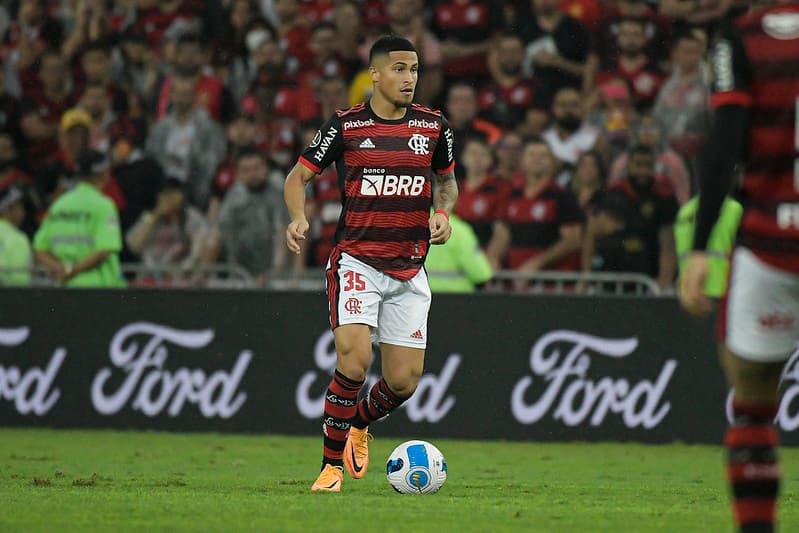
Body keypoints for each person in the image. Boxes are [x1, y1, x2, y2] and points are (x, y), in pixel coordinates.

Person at [283, 35, 457, 492]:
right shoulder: (346, 126)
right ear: (375, 74)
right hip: (357, 261)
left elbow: (446, 183)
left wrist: (443, 213)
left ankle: (358, 424)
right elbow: (298, 177)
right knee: (355, 361)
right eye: (399, 69)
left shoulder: (434, 126)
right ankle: (330, 469)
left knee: (403, 382)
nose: (409, 78)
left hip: (409, 266)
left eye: (414, 69)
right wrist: (298, 216)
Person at [679, 3, 799, 531]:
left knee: (752, 406)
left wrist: (700, 247)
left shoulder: (740, 38)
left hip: (769, 243)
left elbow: (724, 142)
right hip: (765, 245)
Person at [33, 150, 125, 287]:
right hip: (99, 287)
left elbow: (39, 248)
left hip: (64, 286)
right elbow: (104, 251)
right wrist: (73, 270)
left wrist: (59, 269)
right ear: (104, 173)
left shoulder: (59, 205)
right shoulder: (103, 205)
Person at [425, 210, 492, 293]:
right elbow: (480, 273)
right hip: (456, 296)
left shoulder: (416, 225)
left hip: (420, 294)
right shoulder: (460, 230)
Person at [0, 185, 32, 286]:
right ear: (5, 209)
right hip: (10, 294)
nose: (23, 212)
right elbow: (18, 279)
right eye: (19, 206)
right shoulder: (17, 238)